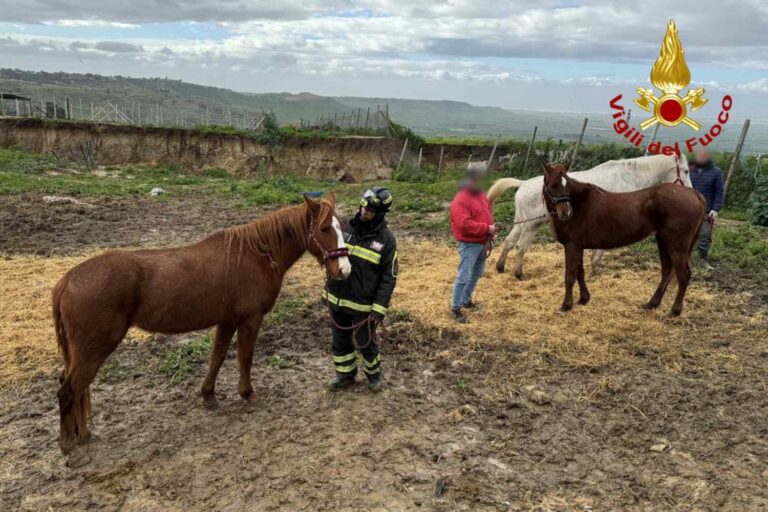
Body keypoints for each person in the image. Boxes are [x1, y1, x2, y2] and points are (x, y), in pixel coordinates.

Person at [324, 188, 398, 392]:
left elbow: (388, 278)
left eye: (370, 211)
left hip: (363, 306)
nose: (364, 213)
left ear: (380, 214)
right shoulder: (345, 226)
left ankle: (374, 376)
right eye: (363, 207)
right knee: (339, 342)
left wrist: (379, 309)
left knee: (366, 343)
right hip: (337, 299)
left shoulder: (386, 240)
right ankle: (345, 375)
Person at [449, 168, 495, 324]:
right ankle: (455, 309)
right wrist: (487, 229)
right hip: (469, 243)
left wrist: (490, 235)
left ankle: (466, 300)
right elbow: (463, 225)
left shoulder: (480, 195)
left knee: (477, 273)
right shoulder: (461, 199)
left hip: (482, 242)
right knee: (463, 276)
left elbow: (487, 215)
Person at [689, 149, 724, 270]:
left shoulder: (716, 172)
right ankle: (682, 258)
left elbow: (719, 192)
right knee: (684, 235)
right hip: (687, 210)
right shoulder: (688, 170)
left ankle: (703, 259)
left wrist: (715, 208)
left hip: (706, 210)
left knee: (704, 235)